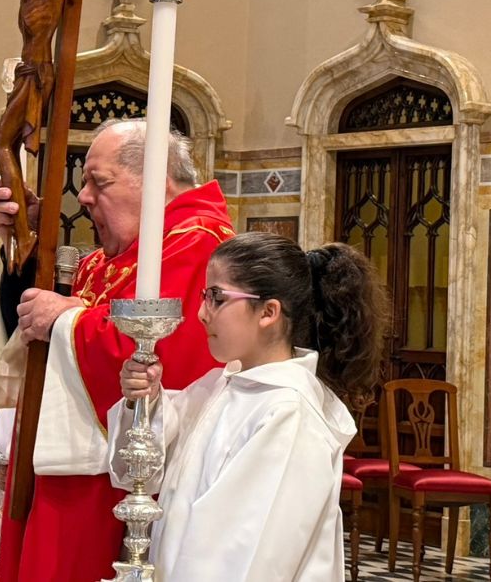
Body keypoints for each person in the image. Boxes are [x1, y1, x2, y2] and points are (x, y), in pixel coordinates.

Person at [0, 118, 235, 582]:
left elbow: (147, 351)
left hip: (112, 484)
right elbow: (37, 333)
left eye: (99, 182)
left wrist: (64, 318)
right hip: (73, 474)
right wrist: (25, 245)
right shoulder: (120, 253)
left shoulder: (196, 241)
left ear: (156, 179)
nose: (83, 197)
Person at [111, 232, 386, 581]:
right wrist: (144, 401)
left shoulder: (287, 413)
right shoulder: (219, 386)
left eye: (217, 297)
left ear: (268, 312)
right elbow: (139, 473)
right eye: (205, 296)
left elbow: (245, 557)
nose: (201, 313)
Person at [0, 0, 94, 273]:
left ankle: (24, 232)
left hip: (39, 71)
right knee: (3, 143)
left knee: (1, 142)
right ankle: (20, 231)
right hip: (28, 70)